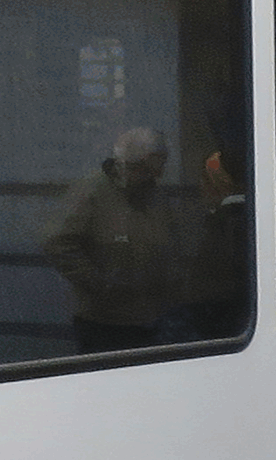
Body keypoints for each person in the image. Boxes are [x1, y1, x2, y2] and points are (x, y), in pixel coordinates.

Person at [42, 128, 182, 354]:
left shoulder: (155, 195)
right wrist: (101, 283)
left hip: (153, 316)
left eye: (160, 167)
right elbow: (57, 242)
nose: (157, 175)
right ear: (130, 164)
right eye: (149, 168)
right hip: (105, 321)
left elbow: (171, 242)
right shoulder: (92, 191)